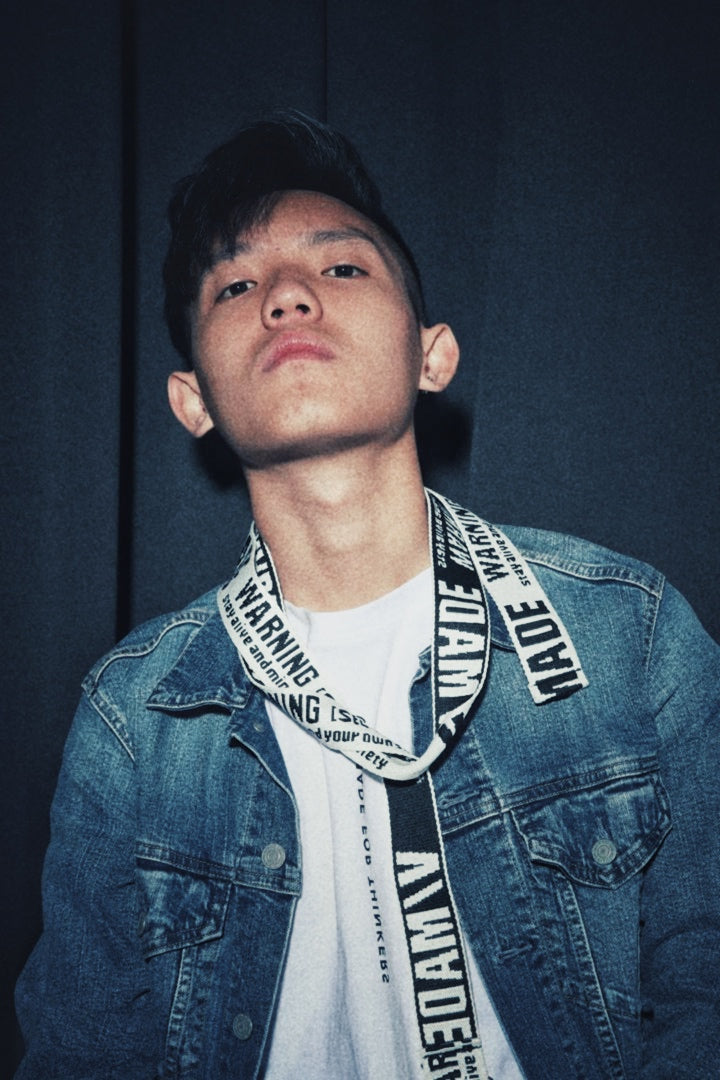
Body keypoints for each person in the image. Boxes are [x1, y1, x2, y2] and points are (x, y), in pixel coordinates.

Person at [15, 113, 720, 1080]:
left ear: (434, 355)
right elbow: (81, 1054)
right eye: (236, 285)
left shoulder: (628, 637)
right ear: (193, 402)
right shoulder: (132, 720)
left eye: (341, 267)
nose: (287, 296)